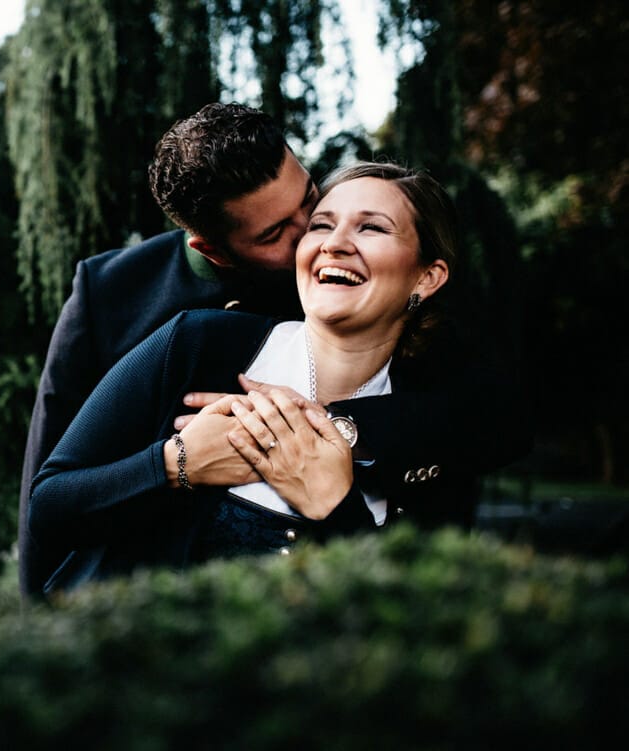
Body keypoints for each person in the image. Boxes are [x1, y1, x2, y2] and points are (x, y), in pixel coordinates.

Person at [28, 163, 530, 594]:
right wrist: (178, 464)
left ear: (427, 276)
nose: (335, 243)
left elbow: (421, 621)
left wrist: (336, 505)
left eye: (371, 228)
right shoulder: (199, 342)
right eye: (321, 225)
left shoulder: (441, 420)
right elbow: (51, 504)